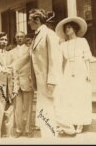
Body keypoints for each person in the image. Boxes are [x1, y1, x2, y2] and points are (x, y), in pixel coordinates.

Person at [11, 8, 63, 138]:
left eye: (30, 20)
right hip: (41, 83)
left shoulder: (49, 34)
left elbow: (55, 59)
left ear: (38, 20)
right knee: (43, 113)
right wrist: (11, 68)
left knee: (48, 113)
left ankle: (50, 139)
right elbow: (28, 56)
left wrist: (52, 80)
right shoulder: (37, 36)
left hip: (48, 82)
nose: (28, 23)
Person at [54, 16, 92, 135]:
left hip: (80, 68)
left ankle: (80, 122)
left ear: (74, 29)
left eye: (69, 27)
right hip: (68, 70)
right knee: (69, 96)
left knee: (81, 94)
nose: (67, 30)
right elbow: (58, 58)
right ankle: (71, 121)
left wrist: (88, 72)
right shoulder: (63, 45)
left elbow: (87, 58)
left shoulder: (82, 41)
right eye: (66, 28)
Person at [10, 31, 34, 138]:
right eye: (17, 37)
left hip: (27, 80)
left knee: (28, 107)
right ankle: (19, 129)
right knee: (17, 108)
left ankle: (28, 129)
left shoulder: (30, 50)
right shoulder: (11, 52)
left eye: (21, 37)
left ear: (25, 38)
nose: (19, 38)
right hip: (16, 82)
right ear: (15, 38)